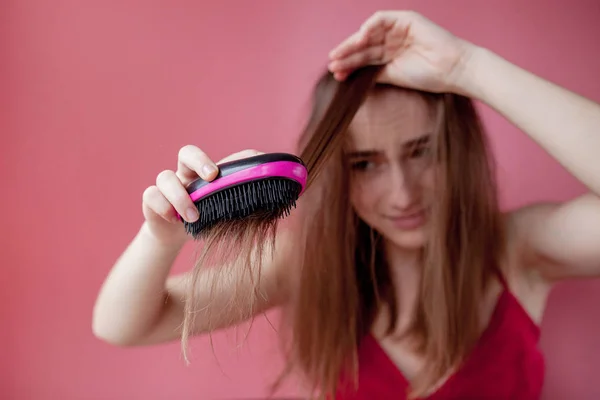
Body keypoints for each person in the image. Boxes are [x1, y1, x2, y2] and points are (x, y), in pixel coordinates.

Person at [92, 10, 600, 400]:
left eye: (421, 152)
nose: (402, 193)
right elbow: (121, 325)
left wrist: (465, 67)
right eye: (366, 164)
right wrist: (162, 236)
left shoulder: (518, 251)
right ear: (336, 175)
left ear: (457, 150)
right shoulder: (307, 263)